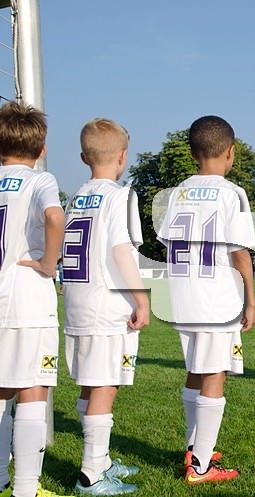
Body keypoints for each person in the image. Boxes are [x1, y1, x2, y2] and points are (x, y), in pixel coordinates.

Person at [158, 115, 255, 485]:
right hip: (216, 294)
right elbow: (239, 252)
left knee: (196, 368)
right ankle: (200, 466)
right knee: (215, 371)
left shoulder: (177, 192)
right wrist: (250, 300)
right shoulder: (232, 193)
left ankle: (194, 445)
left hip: (183, 292)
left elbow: (168, 244)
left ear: (192, 153)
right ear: (231, 152)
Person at [63, 119, 149, 495]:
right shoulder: (121, 195)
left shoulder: (76, 196)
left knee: (90, 383)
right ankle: (91, 475)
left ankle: (102, 461)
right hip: (106, 303)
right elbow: (121, 250)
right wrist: (141, 298)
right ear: (123, 156)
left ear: (84, 158)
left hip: (78, 302)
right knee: (105, 385)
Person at [0, 102, 70, 497]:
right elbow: (55, 217)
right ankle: (26, 488)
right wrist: (47, 261)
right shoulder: (40, 179)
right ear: (41, 149)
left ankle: (0, 480)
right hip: (26, 297)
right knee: (32, 389)